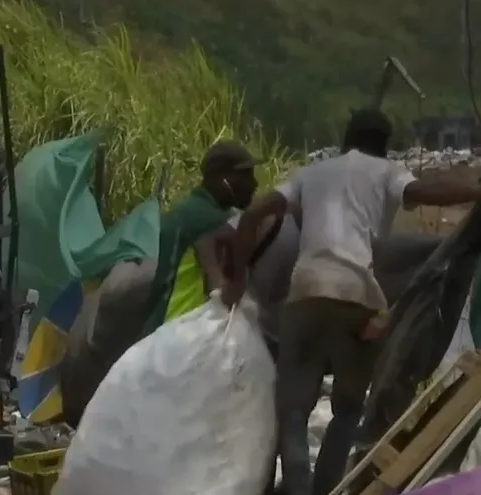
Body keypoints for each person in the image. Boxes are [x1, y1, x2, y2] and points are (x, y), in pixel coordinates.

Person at [223, 107, 481, 495]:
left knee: (293, 414)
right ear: (385, 145)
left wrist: (236, 280)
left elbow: (256, 212)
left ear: (346, 139)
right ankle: (331, 489)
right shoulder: (387, 171)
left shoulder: (311, 173)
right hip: (358, 297)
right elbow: (426, 192)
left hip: (306, 291)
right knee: (346, 411)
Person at [142, 140, 259, 336]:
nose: (253, 184)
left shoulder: (185, 210)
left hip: (159, 328)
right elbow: (222, 289)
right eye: (244, 175)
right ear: (222, 177)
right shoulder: (211, 221)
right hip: (181, 331)